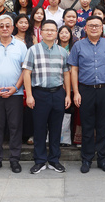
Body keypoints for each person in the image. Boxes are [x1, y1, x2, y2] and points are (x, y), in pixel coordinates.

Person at [69, 15, 105, 173]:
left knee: (103, 125)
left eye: (97, 25)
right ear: (85, 28)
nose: (94, 28)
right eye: (91, 25)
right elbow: (74, 70)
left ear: (102, 28)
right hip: (85, 90)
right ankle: (86, 159)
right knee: (87, 126)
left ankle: (103, 159)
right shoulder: (78, 45)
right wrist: (76, 92)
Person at [23, 19, 71, 174]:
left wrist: (68, 95)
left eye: (52, 30)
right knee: (39, 129)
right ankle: (40, 160)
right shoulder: (33, 50)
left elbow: (66, 74)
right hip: (39, 94)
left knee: (56, 129)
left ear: (56, 33)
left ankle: (54, 160)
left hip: (58, 93)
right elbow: (27, 73)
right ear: (41, 32)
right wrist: (29, 95)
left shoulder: (63, 52)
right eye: (46, 30)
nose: (49, 32)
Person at [0, 15, 28, 173]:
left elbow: (25, 70)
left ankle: (15, 159)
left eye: (7, 26)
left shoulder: (21, 46)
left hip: (15, 94)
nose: (4, 28)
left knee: (15, 127)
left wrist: (15, 88)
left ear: (12, 28)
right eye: (1, 26)